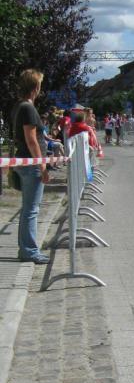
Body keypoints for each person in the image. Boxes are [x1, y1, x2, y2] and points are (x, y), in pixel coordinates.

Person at [11, 69, 51, 264]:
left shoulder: (19, 107)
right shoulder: (28, 108)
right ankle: (29, 251)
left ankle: (26, 249)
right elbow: (31, 139)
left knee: (28, 208)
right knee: (31, 210)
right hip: (31, 163)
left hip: (24, 161)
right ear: (35, 87)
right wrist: (42, 166)